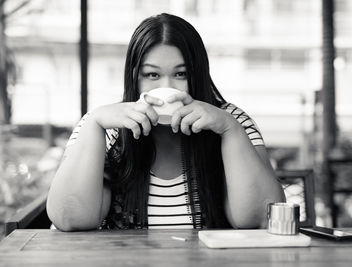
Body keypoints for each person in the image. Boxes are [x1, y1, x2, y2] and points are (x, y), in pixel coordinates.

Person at [46, 13, 285, 231]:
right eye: (152, 75)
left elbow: (260, 220)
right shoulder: (105, 126)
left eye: (181, 74)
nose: (167, 89)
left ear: (198, 74)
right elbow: (70, 219)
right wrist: (94, 123)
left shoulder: (231, 121)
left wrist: (230, 130)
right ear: (134, 77)